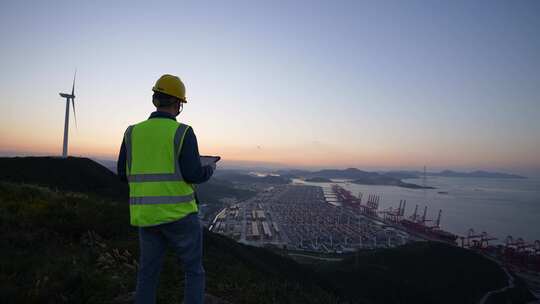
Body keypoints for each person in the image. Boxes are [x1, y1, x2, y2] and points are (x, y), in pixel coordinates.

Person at [117, 74, 215, 304]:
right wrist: (208, 170)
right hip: (179, 215)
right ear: (178, 103)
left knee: (147, 272)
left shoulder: (131, 132)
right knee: (193, 270)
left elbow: (123, 173)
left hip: (146, 217)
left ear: (155, 99)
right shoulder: (183, 132)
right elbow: (193, 174)